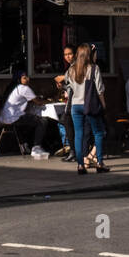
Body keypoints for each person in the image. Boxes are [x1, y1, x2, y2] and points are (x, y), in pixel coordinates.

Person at [65, 44, 108, 174]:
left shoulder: (71, 69)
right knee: (99, 132)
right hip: (89, 105)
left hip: (75, 106)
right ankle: (100, 163)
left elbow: (68, 87)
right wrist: (104, 105)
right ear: (89, 55)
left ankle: (80, 165)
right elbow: (100, 89)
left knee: (78, 134)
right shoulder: (94, 68)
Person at [0, 68, 50, 156]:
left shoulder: (13, 88)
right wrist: (51, 101)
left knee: (29, 119)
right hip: (13, 118)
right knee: (43, 121)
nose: (28, 79)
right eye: (24, 78)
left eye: (27, 77)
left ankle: (24, 144)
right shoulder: (24, 88)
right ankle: (36, 148)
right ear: (19, 79)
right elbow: (38, 102)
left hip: (3, 118)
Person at [54, 46, 76, 160]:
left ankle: (74, 151)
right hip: (71, 101)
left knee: (67, 122)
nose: (67, 56)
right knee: (66, 122)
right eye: (65, 54)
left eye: (70, 54)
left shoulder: (77, 66)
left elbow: (76, 80)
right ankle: (73, 150)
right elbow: (70, 87)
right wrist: (62, 86)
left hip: (76, 102)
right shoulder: (70, 68)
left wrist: (63, 77)